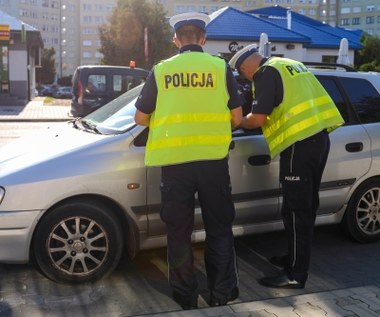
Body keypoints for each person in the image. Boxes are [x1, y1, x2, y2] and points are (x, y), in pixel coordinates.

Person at [134, 12, 243, 310]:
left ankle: (185, 295)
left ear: (176, 40)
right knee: (219, 228)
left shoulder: (162, 70)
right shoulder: (220, 68)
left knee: (178, 232)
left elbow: (141, 117)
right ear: (204, 39)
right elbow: (236, 117)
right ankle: (222, 293)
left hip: (175, 165)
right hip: (213, 163)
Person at [229, 45, 344, 289]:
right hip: (319, 139)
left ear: (246, 66)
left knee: (296, 211)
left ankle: (295, 274)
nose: (247, 79)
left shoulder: (265, 73)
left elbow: (258, 118)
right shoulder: (290, 64)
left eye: (243, 74)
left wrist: (237, 122)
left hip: (298, 146)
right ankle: (294, 258)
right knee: (306, 207)